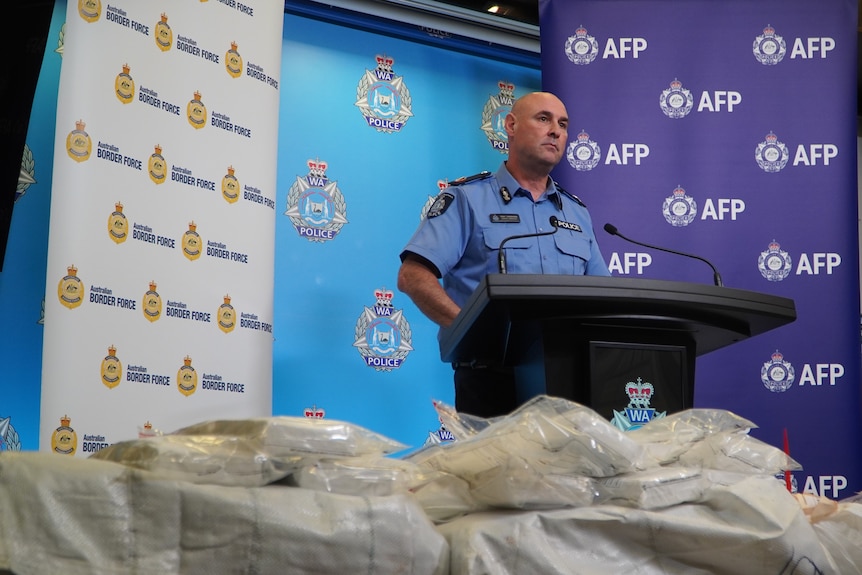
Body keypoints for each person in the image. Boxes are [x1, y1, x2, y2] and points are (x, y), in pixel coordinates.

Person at [397, 91, 610, 418]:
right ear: (510, 125)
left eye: (563, 124)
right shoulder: (468, 199)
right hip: (491, 381)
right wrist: (471, 330)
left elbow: (603, 299)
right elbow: (413, 276)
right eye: (543, 119)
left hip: (568, 384)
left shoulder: (577, 213)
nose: (555, 130)